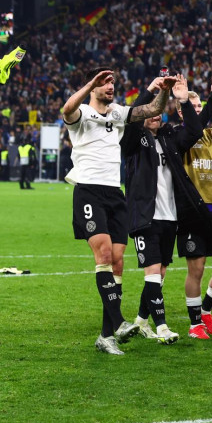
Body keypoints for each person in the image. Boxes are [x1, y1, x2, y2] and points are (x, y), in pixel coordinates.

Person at [62, 67, 176, 355]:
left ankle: (105, 336)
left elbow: (151, 109)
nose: (110, 86)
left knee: (117, 263)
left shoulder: (118, 113)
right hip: (88, 189)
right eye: (105, 82)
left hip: (115, 193)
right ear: (93, 86)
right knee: (102, 254)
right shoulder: (83, 114)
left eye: (112, 81)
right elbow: (66, 108)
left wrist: (164, 89)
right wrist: (91, 83)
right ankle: (119, 321)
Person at [120, 74, 206, 345]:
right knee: (153, 273)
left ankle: (141, 322)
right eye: (151, 113)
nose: (156, 116)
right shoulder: (134, 141)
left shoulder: (169, 140)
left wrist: (183, 99)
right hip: (145, 217)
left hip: (170, 218)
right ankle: (162, 328)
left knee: (160, 274)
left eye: (159, 113)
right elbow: (133, 116)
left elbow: (194, 132)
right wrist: (151, 90)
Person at [174, 79, 212, 339]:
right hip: (192, 214)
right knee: (195, 270)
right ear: (182, 109)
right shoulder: (178, 136)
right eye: (193, 107)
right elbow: (193, 127)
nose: (198, 111)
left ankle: (206, 311)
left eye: (200, 107)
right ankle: (195, 324)